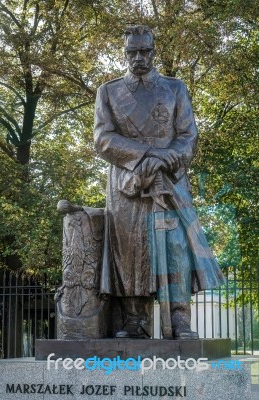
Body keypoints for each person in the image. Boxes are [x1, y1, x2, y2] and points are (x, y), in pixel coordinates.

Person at [94, 25, 225, 339]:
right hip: (127, 182)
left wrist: (164, 159)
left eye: (145, 51)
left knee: (175, 246)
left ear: (154, 51)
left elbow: (188, 136)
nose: (139, 57)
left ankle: (180, 321)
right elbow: (102, 138)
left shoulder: (174, 88)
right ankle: (134, 321)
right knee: (129, 249)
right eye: (132, 52)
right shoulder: (108, 91)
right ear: (125, 53)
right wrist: (146, 154)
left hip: (170, 179)